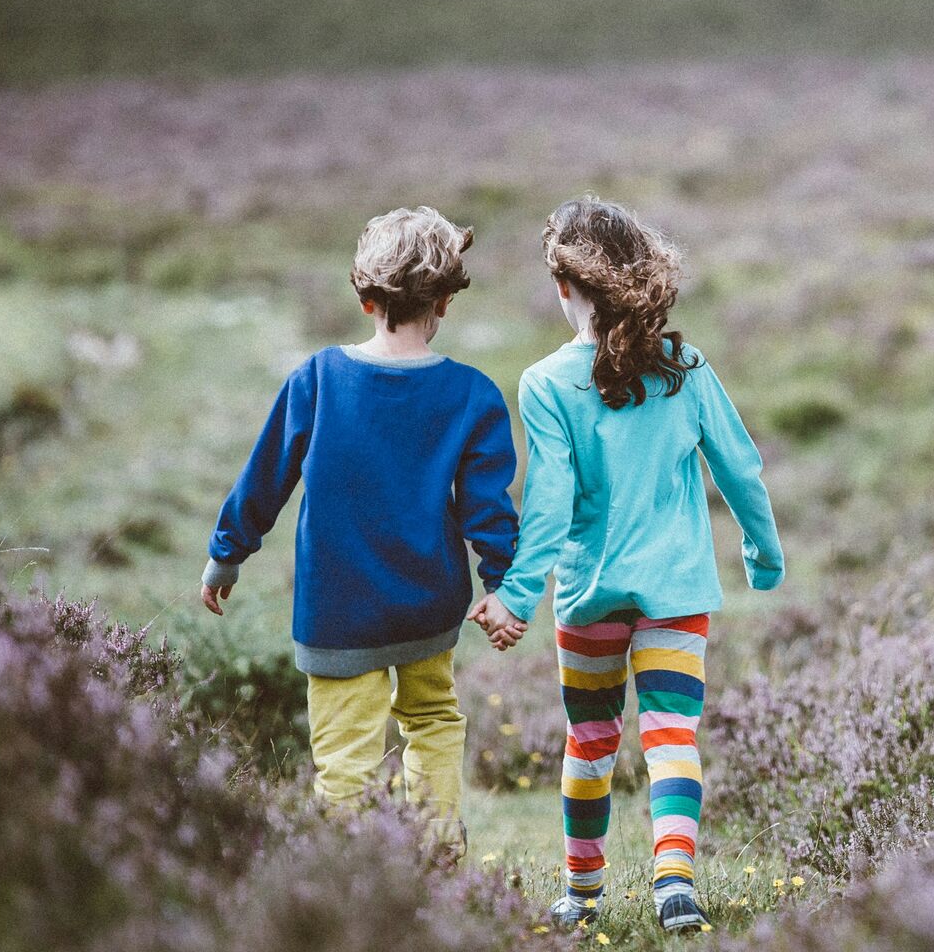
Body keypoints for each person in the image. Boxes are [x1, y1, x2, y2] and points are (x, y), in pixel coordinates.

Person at [477, 196, 783, 934]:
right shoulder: (686, 366)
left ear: (564, 288)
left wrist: (518, 596)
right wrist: (761, 551)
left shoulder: (546, 383)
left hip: (587, 595)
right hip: (677, 591)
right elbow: (739, 467)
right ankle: (675, 883)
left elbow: (547, 504)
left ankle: (580, 897)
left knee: (591, 741)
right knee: (672, 733)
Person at [200, 206, 518, 855]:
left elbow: (265, 478)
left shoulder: (316, 380)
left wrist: (226, 554)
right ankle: (436, 855)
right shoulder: (473, 394)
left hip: (336, 610)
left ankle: (352, 878)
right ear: (445, 303)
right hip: (431, 606)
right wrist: (502, 582)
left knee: (344, 757)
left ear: (364, 296)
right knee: (432, 720)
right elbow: (490, 509)